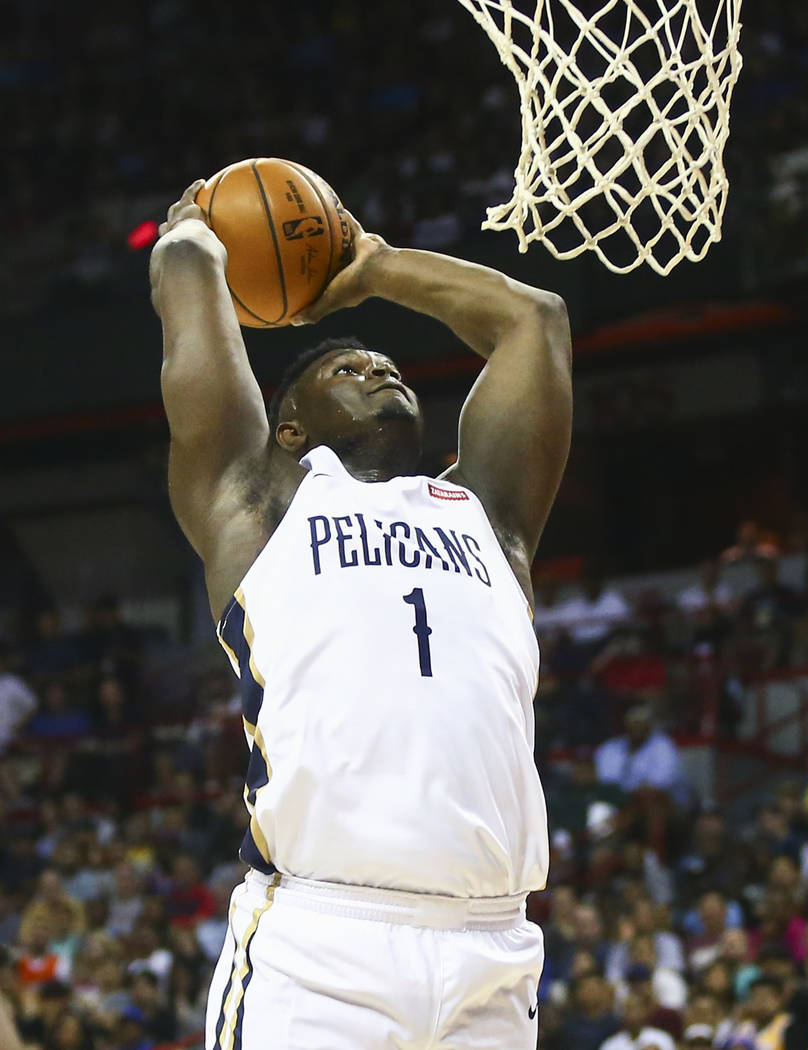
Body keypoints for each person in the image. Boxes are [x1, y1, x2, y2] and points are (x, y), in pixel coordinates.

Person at [150, 180, 572, 1050]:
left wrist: (375, 267)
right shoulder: (258, 506)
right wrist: (190, 242)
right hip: (321, 946)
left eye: (390, 368)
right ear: (290, 427)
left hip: (491, 947)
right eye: (345, 370)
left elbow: (534, 320)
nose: (380, 369)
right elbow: (193, 334)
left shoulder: (488, 518)